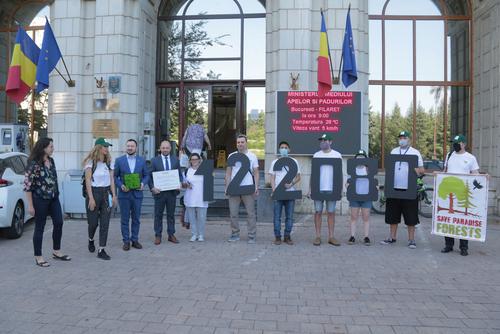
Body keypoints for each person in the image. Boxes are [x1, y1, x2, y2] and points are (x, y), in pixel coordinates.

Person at [24, 137, 70, 267]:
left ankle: (56, 251)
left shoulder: (51, 161)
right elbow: (28, 186)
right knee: (40, 227)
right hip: (40, 200)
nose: (53, 148)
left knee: (59, 222)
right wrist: (31, 206)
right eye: (51, 146)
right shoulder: (34, 164)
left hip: (54, 198)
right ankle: (38, 256)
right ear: (43, 148)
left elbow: (53, 179)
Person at [380, 131, 425, 249]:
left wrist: (416, 170)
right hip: (394, 189)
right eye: (400, 138)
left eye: (404, 138)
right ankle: (392, 237)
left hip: (409, 190)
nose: (402, 140)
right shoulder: (394, 151)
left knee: (411, 217)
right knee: (392, 216)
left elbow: (422, 170)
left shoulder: (415, 153)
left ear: (409, 139)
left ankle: (411, 240)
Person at [441, 134, 479, 256]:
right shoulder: (449, 155)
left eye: (458, 143)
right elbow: (445, 171)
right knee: (449, 218)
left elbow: (475, 174)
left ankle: (464, 247)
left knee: (463, 220)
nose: (455, 145)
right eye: (454, 143)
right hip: (449, 192)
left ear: (464, 144)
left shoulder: (471, 158)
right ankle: (448, 245)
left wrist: (484, 178)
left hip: (462, 193)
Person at [83, 138, 117, 260]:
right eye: (105, 147)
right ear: (98, 148)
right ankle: (91, 239)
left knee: (105, 223)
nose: (107, 149)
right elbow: (87, 181)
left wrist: (114, 195)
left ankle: (101, 249)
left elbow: (112, 180)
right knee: (93, 223)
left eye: (108, 147)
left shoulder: (109, 162)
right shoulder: (90, 162)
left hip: (106, 193)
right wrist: (91, 198)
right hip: (94, 193)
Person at [114, 139, 149, 251]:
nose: (130, 148)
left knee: (136, 219)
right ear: (126, 147)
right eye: (128, 146)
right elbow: (114, 176)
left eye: (132, 146)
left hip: (137, 194)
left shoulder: (142, 160)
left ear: (136, 148)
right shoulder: (119, 160)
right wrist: (120, 185)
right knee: (124, 219)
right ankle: (126, 241)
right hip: (124, 194)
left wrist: (143, 183)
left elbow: (146, 175)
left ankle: (134, 240)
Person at [309, 133, 342, 246]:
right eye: (321, 140)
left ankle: (331, 237)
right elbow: (313, 174)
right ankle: (317, 236)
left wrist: (340, 188)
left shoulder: (337, 155)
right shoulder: (316, 155)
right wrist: (310, 188)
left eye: (325, 140)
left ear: (330, 142)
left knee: (331, 212)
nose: (323, 142)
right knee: (318, 212)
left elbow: (339, 174)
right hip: (318, 188)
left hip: (332, 189)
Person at [225, 134, 259, 243]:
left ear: (246, 143)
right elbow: (228, 173)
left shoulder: (252, 156)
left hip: (248, 188)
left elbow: (256, 173)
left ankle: (252, 235)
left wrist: (256, 187)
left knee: (250, 213)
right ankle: (235, 234)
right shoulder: (231, 156)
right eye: (238, 142)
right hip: (234, 188)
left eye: (242, 142)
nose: (240, 144)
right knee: (233, 213)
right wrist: (227, 187)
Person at [149, 140, 182, 245]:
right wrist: (152, 187)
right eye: (163, 148)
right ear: (160, 148)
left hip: (172, 192)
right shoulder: (154, 161)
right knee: (158, 215)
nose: (165, 150)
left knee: (171, 215)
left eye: (167, 148)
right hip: (159, 192)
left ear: (170, 149)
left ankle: (171, 234)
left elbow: (179, 174)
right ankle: (158, 235)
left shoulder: (175, 160)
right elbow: (149, 176)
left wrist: (180, 183)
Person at [269, 141, 301, 245]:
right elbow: (272, 178)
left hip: (290, 193)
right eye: (282, 147)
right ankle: (277, 237)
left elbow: (298, 177)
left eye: (285, 147)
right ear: (279, 150)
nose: (284, 149)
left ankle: (287, 236)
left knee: (289, 216)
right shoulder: (274, 162)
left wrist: (291, 184)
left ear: (289, 150)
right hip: (278, 194)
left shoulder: (294, 161)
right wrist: (274, 191)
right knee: (277, 217)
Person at [346, 149, 372, 246]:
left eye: (362, 157)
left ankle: (366, 236)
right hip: (355, 196)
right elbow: (349, 181)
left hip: (366, 196)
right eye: (358, 157)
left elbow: (373, 180)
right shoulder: (353, 169)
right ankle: (352, 236)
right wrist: (347, 184)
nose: (360, 159)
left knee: (366, 217)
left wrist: (375, 187)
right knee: (353, 217)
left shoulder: (369, 169)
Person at [182, 153, 209, 242]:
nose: (194, 161)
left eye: (196, 159)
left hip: (202, 198)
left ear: (199, 160)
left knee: (201, 218)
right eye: (192, 159)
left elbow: (209, 183)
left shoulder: (205, 170)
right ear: (190, 161)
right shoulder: (186, 171)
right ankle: (194, 234)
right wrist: (186, 185)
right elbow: (183, 184)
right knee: (192, 218)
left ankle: (201, 235)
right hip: (190, 197)